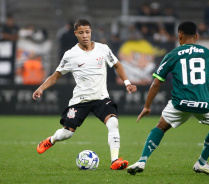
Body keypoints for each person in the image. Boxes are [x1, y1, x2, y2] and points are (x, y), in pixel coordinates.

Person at [126, 21, 209, 176]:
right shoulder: (208, 54)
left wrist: (147, 106)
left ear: (179, 35)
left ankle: (142, 160)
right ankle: (201, 162)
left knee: (160, 127)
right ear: (196, 36)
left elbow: (156, 83)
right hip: (205, 104)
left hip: (180, 103)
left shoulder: (172, 54)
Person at [32, 19, 137, 170]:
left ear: (91, 32)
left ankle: (115, 160)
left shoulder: (103, 49)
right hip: (80, 100)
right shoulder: (70, 55)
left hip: (101, 98)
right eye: (81, 33)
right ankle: (52, 139)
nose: (85, 35)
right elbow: (56, 75)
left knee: (113, 123)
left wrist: (127, 83)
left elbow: (117, 65)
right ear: (76, 34)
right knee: (67, 134)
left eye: (87, 32)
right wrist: (41, 88)